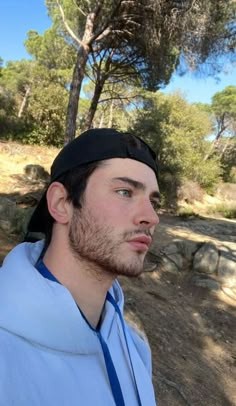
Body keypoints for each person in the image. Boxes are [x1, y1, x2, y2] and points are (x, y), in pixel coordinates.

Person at [0, 128, 160, 405]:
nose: (151, 216)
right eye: (125, 192)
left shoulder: (134, 345)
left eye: (153, 201)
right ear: (61, 204)